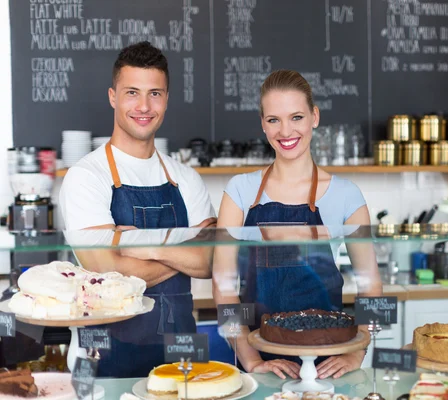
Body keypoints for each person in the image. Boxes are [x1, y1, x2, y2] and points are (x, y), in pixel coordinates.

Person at [59, 41, 216, 378]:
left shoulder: (186, 178)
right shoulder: (86, 176)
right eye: (132, 92)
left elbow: (212, 260)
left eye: (155, 93)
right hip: (103, 355)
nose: (144, 106)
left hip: (181, 353)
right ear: (113, 96)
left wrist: (138, 244)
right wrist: (183, 249)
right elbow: (105, 271)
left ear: (167, 99)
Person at [213, 70, 382, 380]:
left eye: (297, 117)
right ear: (263, 124)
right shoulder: (239, 191)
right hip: (262, 365)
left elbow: (371, 285)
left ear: (314, 117)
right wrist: (251, 360)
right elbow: (223, 288)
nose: (285, 130)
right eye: (274, 119)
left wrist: (357, 351)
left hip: (329, 364)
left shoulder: (347, 195)